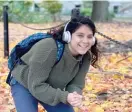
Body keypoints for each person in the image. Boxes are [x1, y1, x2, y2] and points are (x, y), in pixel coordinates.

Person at [9, 16, 99, 112]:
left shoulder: (85, 57)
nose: (85, 41)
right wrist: (64, 96)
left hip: (50, 88)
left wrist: (74, 96)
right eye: (80, 35)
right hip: (25, 84)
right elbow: (36, 86)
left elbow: (76, 84)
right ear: (68, 36)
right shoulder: (48, 47)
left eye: (89, 36)